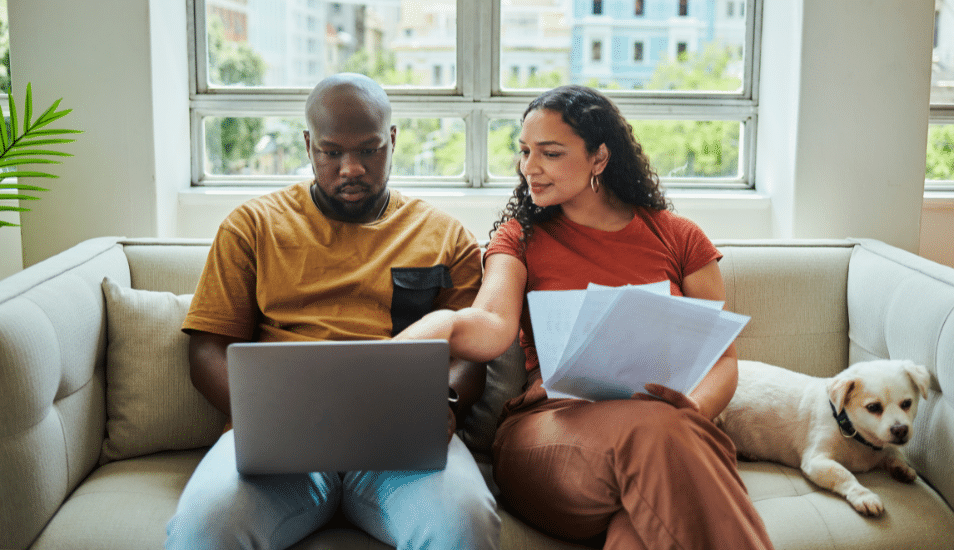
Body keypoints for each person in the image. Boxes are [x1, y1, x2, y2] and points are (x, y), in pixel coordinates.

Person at [396, 85, 776, 549]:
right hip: (550, 436)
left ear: (600, 158)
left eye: (549, 154)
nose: (528, 167)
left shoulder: (679, 237)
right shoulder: (520, 237)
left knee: (642, 518)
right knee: (656, 433)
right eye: (524, 152)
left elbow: (720, 360)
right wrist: (430, 333)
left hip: (662, 439)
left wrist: (692, 411)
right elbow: (491, 324)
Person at [165, 73, 500, 550]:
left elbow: (471, 357)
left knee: (464, 524)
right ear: (308, 145)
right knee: (205, 529)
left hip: (400, 448)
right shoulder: (252, 227)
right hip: (281, 449)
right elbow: (206, 352)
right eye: (331, 152)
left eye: (369, 150)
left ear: (393, 141)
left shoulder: (445, 237)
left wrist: (443, 403)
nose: (352, 168)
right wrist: (275, 419)